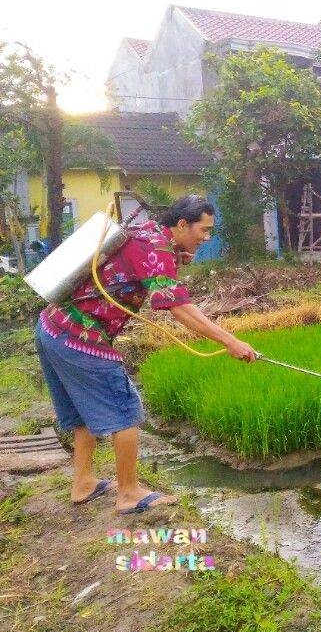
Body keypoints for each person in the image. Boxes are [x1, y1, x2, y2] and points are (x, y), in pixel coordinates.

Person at [34, 195, 257, 514]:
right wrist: (230, 341)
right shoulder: (158, 247)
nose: (206, 238)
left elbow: (143, 272)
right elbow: (177, 305)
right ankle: (129, 494)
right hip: (79, 335)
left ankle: (83, 484)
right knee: (126, 409)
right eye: (204, 230)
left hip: (51, 327)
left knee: (82, 413)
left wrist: (178, 256)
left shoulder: (147, 233)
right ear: (182, 225)